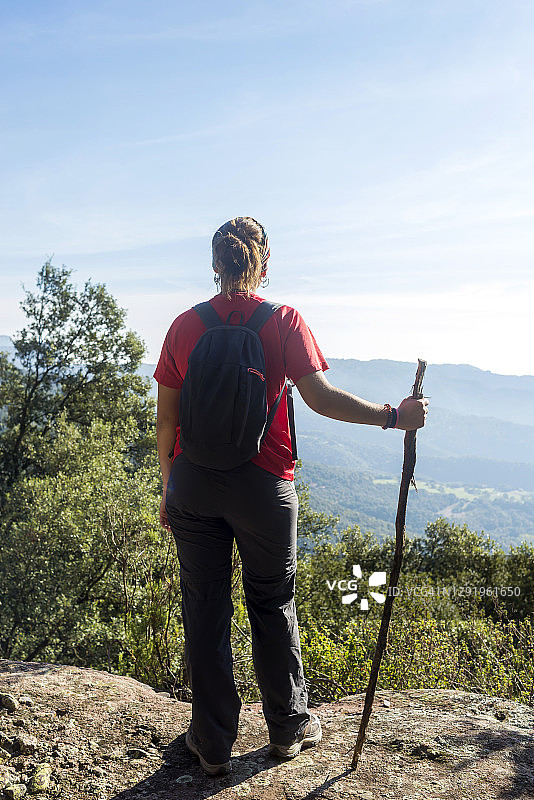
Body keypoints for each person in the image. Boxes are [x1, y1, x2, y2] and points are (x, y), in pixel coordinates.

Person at [154, 216, 428, 776]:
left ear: (214, 263)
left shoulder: (183, 327)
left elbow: (166, 420)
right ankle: (287, 728)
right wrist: (394, 417)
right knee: (272, 599)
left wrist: (169, 485)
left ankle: (210, 743)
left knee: (204, 606)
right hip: (264, 486)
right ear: (264, 263)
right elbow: (321, 398)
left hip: (195, 483)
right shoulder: (283, 321)